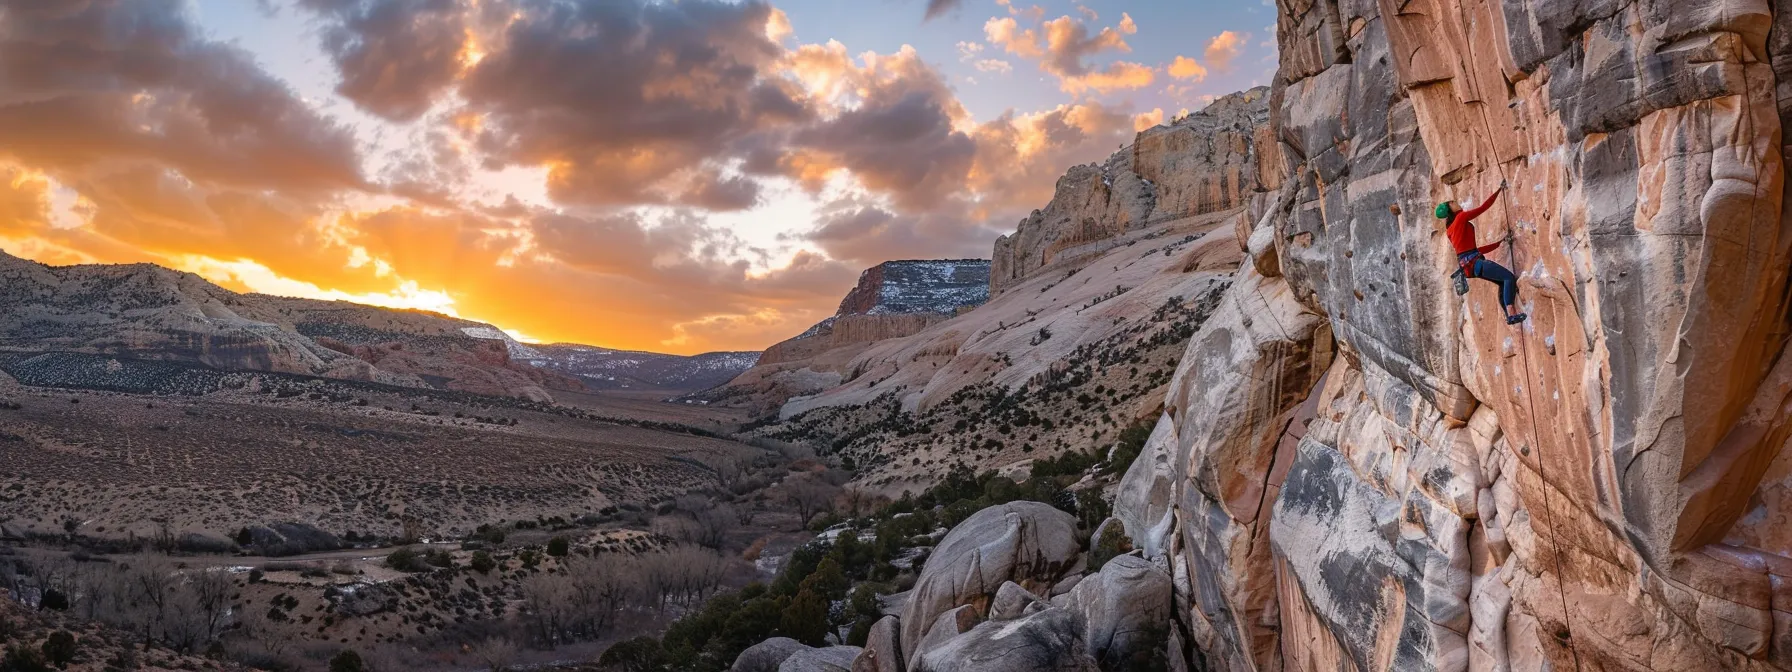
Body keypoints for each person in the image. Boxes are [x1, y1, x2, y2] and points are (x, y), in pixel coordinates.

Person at [1436, 181, 1526, 325]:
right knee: (1508, 278)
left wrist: (1499, 243)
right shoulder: (1460, 218)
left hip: (1471, 266)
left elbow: (1473, 250)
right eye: (1452, 203)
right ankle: (1511, 313)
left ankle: (1509, 316)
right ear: (1450, 210)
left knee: (1503, 283)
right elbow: (1483, 208)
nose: (1456, 202)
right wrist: (1498, 190)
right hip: (1475, 263)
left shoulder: (1450, 230)